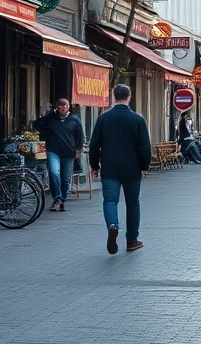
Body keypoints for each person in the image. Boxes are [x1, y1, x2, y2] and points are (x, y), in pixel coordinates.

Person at [88, 84, 151, 254]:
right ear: (129, 97)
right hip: (132, 169)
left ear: (114, 97)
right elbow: (145, 147)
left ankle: (113, 225)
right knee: (133, 203)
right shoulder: (137, 119)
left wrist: (95, 165)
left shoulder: (104, 118)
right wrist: (144, 166)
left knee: (110, 201)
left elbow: (94, 145)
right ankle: (132, 240)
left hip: (110, 168)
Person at [33, 97, 85, 212]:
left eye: (65, 105)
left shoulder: (74, 119)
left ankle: (62, 199)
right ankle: (57, 198)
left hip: (68, 152)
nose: (63, 107)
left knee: (65, 178)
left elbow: (80, 136)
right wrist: (50, 114)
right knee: (53, 173)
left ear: (68, 107)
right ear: (57, 107)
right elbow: (37, 124)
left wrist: (78, 149)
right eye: (60, 105)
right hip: (53, 151)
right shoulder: (51, 118)